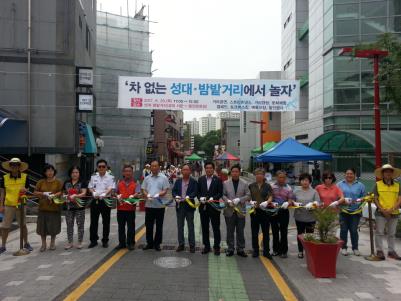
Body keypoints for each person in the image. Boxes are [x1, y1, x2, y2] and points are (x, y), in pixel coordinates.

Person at [0, 158, 33, 254]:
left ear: (19, 166)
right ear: (10, 167)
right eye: (12, 165)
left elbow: (27, 189)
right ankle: (3, 245)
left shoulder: (25, 177)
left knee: (23, 225)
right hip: (8, 204)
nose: (14, 167)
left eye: (16, 165)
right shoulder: (4, 177)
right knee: (5, 226)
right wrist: (1, 205)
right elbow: (2, 192)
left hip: (21, 204)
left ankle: (26, 243)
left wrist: (25, 190)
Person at [373, 164, 401, 260]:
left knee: (392, 233)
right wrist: (382, 209)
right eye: (386, 171)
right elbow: (375, 199)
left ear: (392, 173)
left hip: (394, 212)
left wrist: (392, 209)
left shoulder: (398, 185)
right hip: (381, 212)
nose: (388, 173)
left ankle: (391, 251)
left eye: (390, 171)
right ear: (383, 173)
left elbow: (399, 199)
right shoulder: (377, 184)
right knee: (379, 232)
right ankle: (380, 251)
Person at [222, 165, 251, 257]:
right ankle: (230, 248)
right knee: (230, 231)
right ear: (231, 172)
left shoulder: (245, 183)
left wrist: (240, 199)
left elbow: (248, 195)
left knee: (240, 231)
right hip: (229, 210)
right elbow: (223, 195)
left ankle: (240, 249)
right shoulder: (226, 183)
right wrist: (227, 200)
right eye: (233, 171)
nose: (235, 173)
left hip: (240, 211)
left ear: (239, 172)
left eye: (236, 171)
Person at [142, 160, 170, 251]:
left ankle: (157, 243)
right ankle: (149, 243)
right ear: (150, 167)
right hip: (149, 205)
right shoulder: (147, 178)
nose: (154, 168)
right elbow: (143, 189)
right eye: (152, 166)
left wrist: (159, 194)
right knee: (148, 225)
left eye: (155, 166)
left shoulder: (164, 178)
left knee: (159, 225)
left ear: (159, 167)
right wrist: (147, 195)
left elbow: (166, 190)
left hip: (160, 206)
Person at [34, 164, 63, 251]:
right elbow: (35, 192)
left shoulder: (58, 182)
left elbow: (62, 192)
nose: (50, 172)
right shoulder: (41, 182)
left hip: (54, 208)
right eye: (48, 171)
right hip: (43, 208)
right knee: (42, 227)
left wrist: (54, 195)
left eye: (51, 170)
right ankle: (43, 244)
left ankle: (52, 243)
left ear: (54, 171)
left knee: (53, 227)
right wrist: (43, 193)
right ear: (45, 172)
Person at [337, 168, 366, 256]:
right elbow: (336, 196)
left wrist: (359, 200)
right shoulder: (339, 184)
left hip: (355, 211)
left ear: (355, 174)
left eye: (351, 174)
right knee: (343, 230)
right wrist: (341, 201)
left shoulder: (360, 185)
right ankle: (344, 247)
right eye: (347, 173)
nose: (349, 175)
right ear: (344, 174)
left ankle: (355, 248)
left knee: (353, 230)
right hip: (343, 210)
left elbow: (363, 197)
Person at [88, 159, 115, 248]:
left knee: (106, 222)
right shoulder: (93, 176)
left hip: (105, 201)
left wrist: (104, 194)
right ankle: (93, 240)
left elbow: (111, 187)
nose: (101, 168)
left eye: (103, 166)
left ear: (106, 167)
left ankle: (105, 240)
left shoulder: (110, 177)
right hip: (95, 201)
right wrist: (93, 193)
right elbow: (90, 187)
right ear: (97, 167)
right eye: (99, 166)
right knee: (93, 222)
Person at [198, 161, 223, 255]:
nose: (208, 169)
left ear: (213, 169)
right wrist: (200, 198)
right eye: (207, 168)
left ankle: (217, 247)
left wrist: (214, 198)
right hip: (203, 207)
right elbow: (198, 192)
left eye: (210, 168)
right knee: (205, 228)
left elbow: (220, 192)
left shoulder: (218, 179)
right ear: (205, 169)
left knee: (216, 227)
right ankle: (206, 246)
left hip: (214, 207)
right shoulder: (200, 179)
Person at [293, 173, 321, 258]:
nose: (305, 182)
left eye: (307, 180)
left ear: (310, 182)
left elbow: (318, 203)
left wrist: (314, 204)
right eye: (303, 180)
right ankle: (300, 251)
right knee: (300, 234)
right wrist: (294, 203)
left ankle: (309, 251)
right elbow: (291, 200)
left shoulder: (314, 191)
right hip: (299, 216)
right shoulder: (296, 191)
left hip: (311, 218)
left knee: (310, 235)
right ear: (300, 181)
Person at [172, 164, 198, 253]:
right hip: (180, 206)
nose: (185, 171)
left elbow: (195, 191)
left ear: (190, 171)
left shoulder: (194, 181)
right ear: (181, 171)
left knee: (191, 226)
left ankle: (192, 245)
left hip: (189, 206)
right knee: (180, 226)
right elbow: (174, 191)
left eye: (187, 170)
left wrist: (189, 196)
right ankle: (181, 244)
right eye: (184, 170)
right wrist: (176, 196)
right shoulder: (178, 181)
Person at [249, 168, 273, 258]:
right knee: (254, 232)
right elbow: (248, 196)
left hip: (265, 211)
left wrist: (267, 202)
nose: (259, 175)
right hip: (254, 211)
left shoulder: (267, 186)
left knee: (266, 232)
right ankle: (255, 250)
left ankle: (266, 251)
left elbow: (271, 196)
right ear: (255, 175)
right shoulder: (251, 185)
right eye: (257, 174)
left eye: (261, 174)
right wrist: (250, 201)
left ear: (263, 176)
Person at [115, 165, 141, 251]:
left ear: (132, 173)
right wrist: (117, 196)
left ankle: (131, 243)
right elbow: (114, 193)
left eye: (129, 171)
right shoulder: (119, 183)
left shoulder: (136, 183)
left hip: (130, 209)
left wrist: (134, 195)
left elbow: (138, 193)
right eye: (126, 171)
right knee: (121, 227)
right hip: (120, 209)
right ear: (123, 173)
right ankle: (122, 243)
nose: (127, 173)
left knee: (131, 227)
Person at [270, 170, 295, 258]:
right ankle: (276, 250)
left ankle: (284, 251)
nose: (282, 179)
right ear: (277, 177)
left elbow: (290, 198)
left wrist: (288, 203)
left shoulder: (289, 188)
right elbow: (270, 197)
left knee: (283, 231)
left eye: (283, 177)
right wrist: (271, 203)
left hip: (284, 210)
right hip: (274, 210)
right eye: (280, 177)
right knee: (275, 231)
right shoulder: (272, 186)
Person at [63, 166, 88, 250]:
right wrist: (65, 197)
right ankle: (70, 242)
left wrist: (76, 195)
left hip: (79, 207)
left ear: (79, 173)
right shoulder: (66, 182)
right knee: (69, 225)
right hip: (69, 207)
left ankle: (80, 242)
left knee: (80, 224)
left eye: (76, 172)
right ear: (70, 174)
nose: (75, 174)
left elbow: (84, 193)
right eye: (73, 172)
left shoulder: (82, 182)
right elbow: (63, 193)